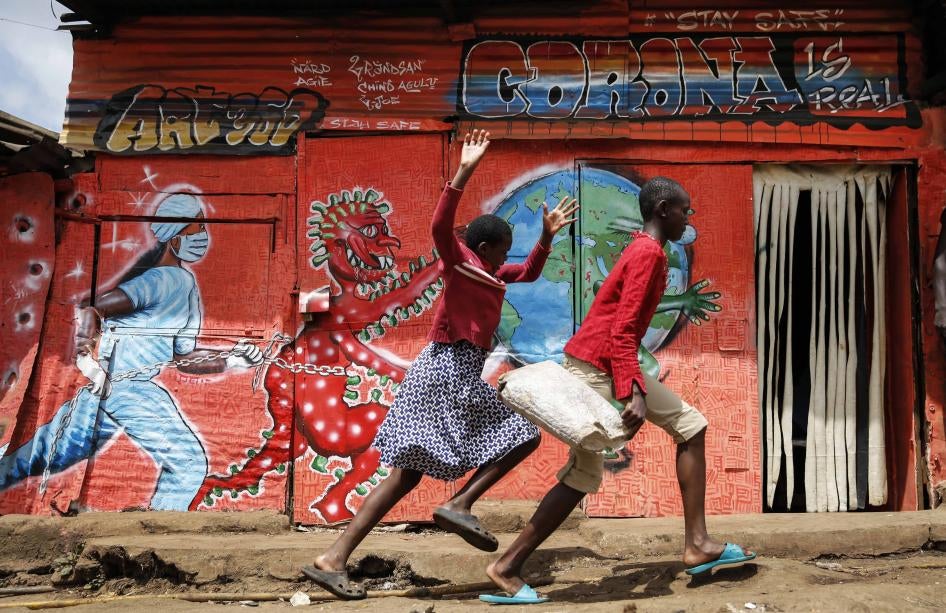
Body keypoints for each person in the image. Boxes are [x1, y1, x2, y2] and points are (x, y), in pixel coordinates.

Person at [302, 130, 578, 600]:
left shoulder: (490, 274)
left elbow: (527, 272)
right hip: (448, 369)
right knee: (523, 435)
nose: (505, 259)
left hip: (440, 371)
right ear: (488, 247)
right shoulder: (462, 261)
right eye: (504, 249)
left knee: (405, 474)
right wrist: (463, 173)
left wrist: (547, 237)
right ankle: (460, 502)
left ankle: (332, 558)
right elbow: (438, 227)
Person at [481, 177, 755, 605]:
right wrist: (633, 392)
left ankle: (697, 544)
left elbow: (621, 327)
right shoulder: (647, 253)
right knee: (586, 472)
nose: (689, 218)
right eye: (685, 210)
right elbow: (624, 329)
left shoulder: (646, 249)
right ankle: (507, 566)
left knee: (688, 426)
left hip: (605, 363)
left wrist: (630, 383)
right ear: (663, 209)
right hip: (600, 368)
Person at [0, 193, 262, 511]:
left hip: (111, 390)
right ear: (174, 238)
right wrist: (86, 360)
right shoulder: (162, 280)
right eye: (196, 228)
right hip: (127, 389)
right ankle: (156, 530)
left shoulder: (184, 284)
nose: (201, 236)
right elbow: (90, 311)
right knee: (188, 465)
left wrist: (232, 358)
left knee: (34, 459)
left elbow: (183, 360)